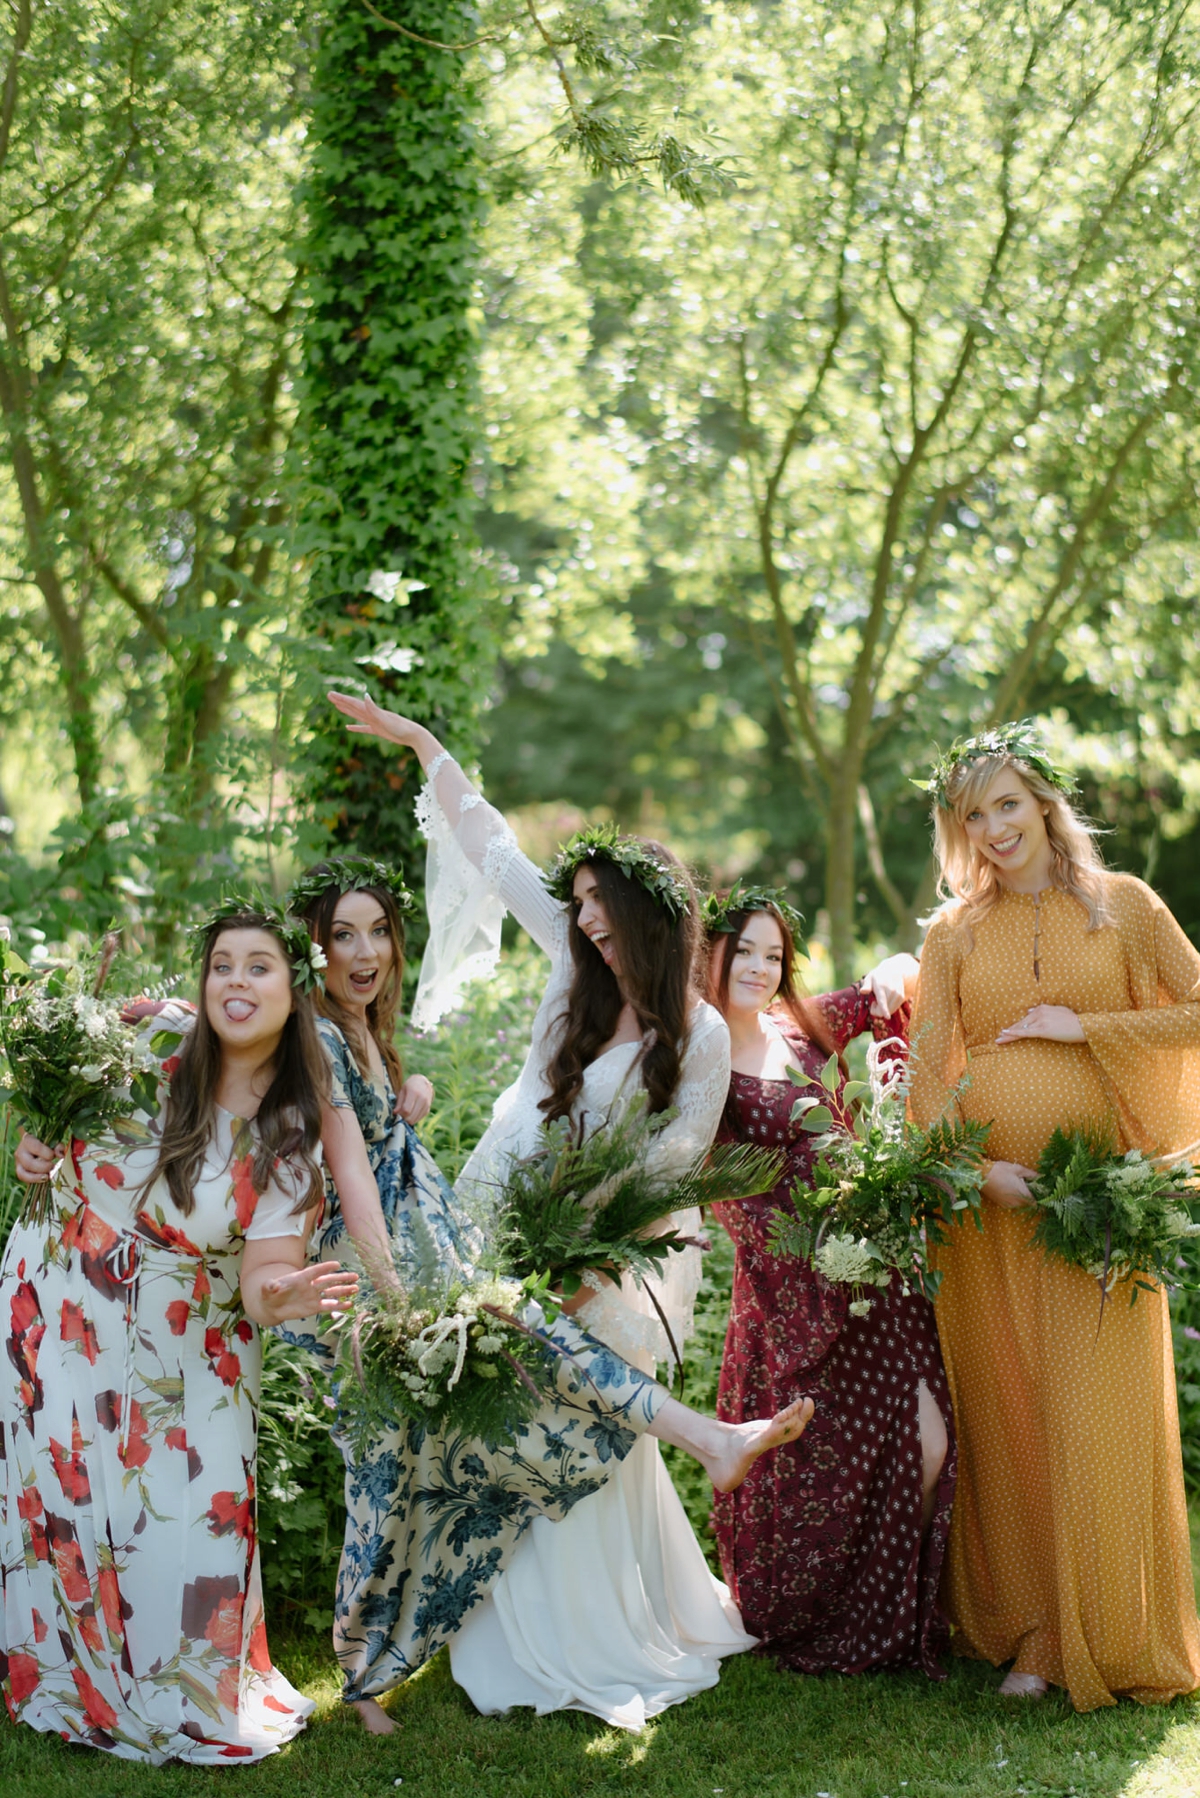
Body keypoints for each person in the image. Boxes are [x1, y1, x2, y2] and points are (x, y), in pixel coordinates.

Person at [325, 690, 810, 1732]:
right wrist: (425, 746)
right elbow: (493, 845)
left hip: (611, 1251)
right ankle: (483, 1624)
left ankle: (590, 1627)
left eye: (599, 903)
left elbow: (676, 1166)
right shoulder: (567, 965)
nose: (584, 918)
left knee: (577, 1395)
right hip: (496, 1218)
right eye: (578, 902)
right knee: (476, 1406)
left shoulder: (702, 1035)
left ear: (647, 910)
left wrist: (586, 1260)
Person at [0, 902, 358, 1763]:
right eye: (222, 964)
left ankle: (173, 1681)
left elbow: (263, 1278)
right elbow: (55, 1110)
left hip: (183, 1349)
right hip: (54, 1299)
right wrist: (35, 1141)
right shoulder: (145, 1040)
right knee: (64, 1499)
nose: (236, 981)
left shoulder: (290, 1138)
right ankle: (58, 1673)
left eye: (259, 966)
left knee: (181, 1525)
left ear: (295, 990)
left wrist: (288, 1294)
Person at [907, 719, 1200, 1710]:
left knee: (1102, 1417)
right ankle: (1035, 1629)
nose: (992, 827)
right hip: (990, 1219)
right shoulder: (952, 934)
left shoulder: (1125, 907)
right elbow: (926, 1080)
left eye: (1007, 803)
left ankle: (1117, 1633)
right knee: (1016, 1420)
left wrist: (1092, 1027)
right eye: (972, 812)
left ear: (1043, 803)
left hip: (1102, 1214)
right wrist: (977, 1171)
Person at [703, 887, 955, 1677]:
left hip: (875, 1273)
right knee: (817, 1462)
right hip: (791, 1289)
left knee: (928, 1439)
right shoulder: (699, 1056)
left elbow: (896, 981)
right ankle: (823, 1612)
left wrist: (891, 970)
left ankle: (882, 1609)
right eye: (742, 949)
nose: (757, 966)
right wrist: (804, 1254)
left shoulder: (796, 1024)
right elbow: (713, 1188)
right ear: (709, 955)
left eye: (772, 954)